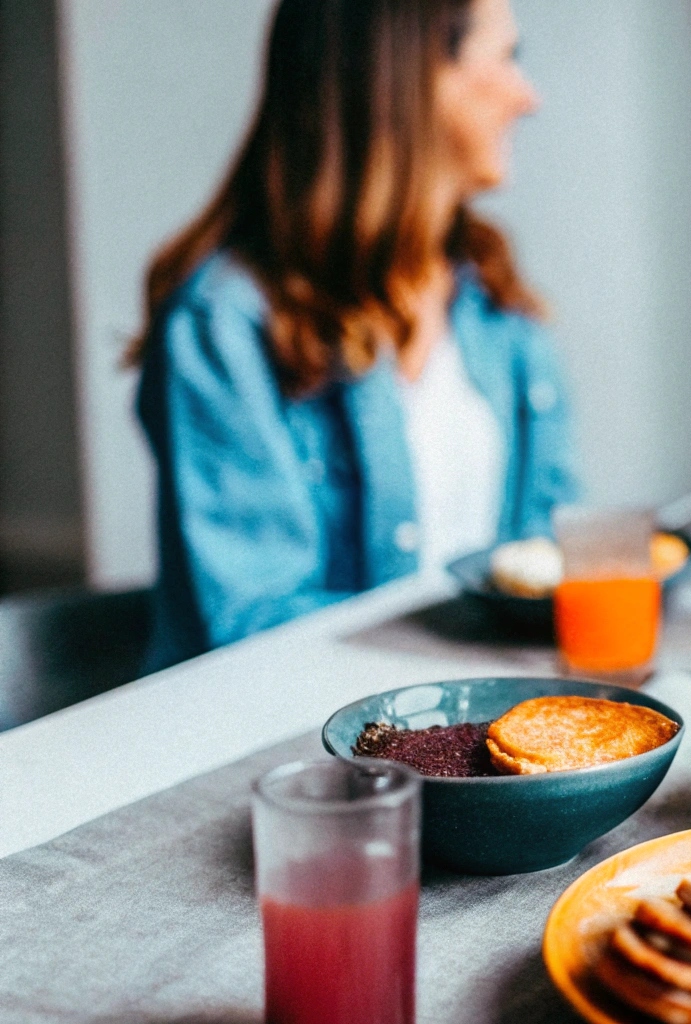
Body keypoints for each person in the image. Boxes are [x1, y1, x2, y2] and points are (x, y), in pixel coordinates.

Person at [132, 0, 576, 672]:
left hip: (466, 725)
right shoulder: (226, 322)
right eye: (507, 57)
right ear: (413, 75)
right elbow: (253, 622)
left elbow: (547, 543)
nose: (530, 98)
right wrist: (467, 665)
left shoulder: (492, 298)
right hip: (291, 751)